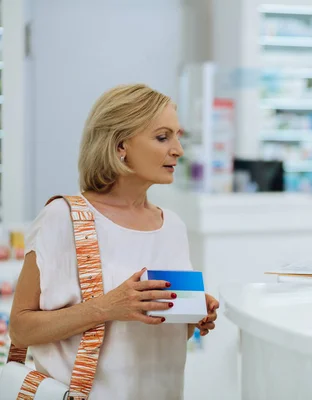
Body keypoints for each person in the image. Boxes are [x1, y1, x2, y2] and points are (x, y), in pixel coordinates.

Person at [9, 84, 219, 399]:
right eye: (163, 137)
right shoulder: (63, 218)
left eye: (178, 136)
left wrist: (192, 314)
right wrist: (108, 306)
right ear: (120, 145)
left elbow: (161, 333)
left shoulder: (173, 226)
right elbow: (21, 329)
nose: (178, 149)